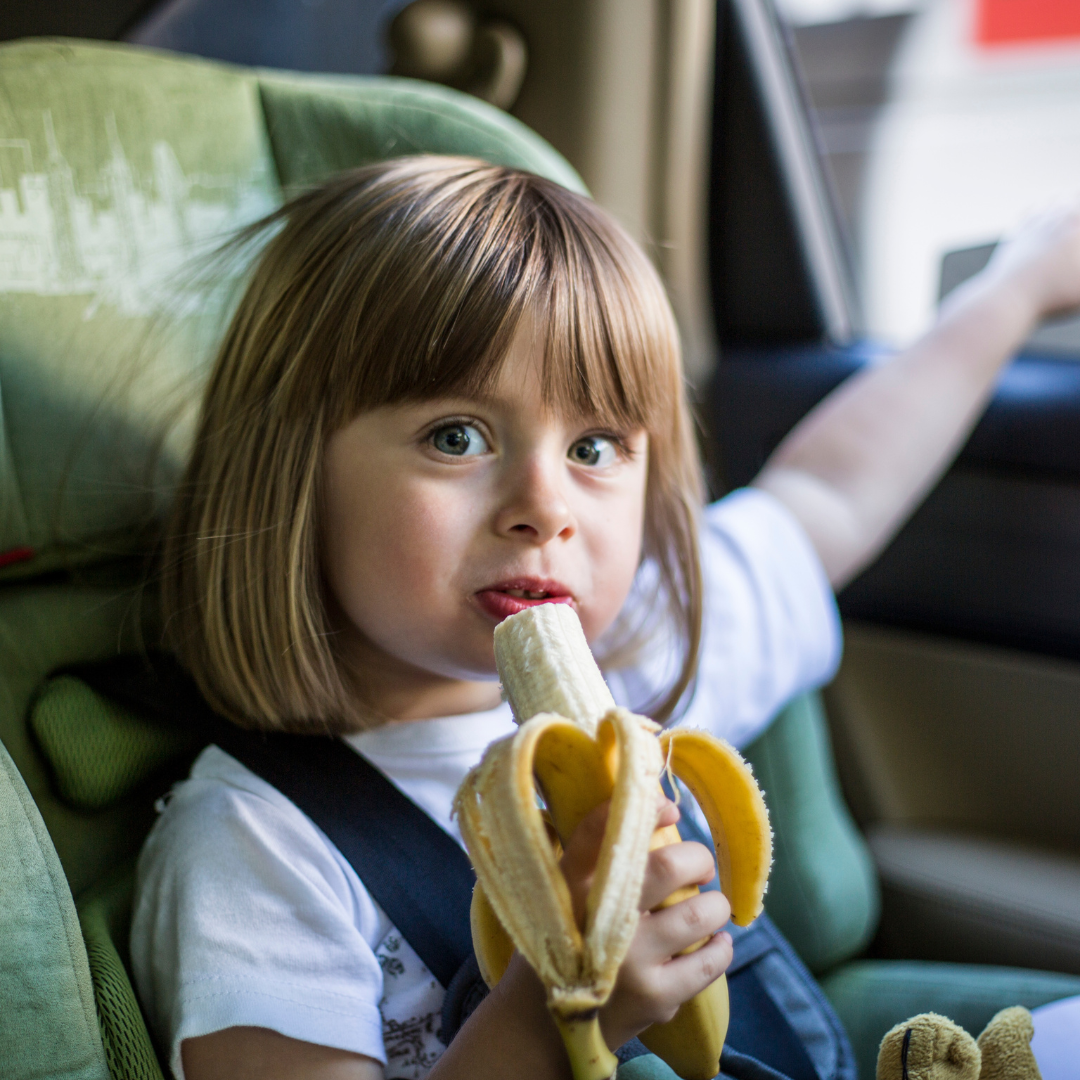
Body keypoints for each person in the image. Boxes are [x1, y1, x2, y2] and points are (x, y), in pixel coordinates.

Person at [129, 156, 1080, 1080]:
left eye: (593, 445)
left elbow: (833, 491)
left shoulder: (641, 649)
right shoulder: (254, 849)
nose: (546, 506)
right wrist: (555, 1014)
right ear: (294, 473)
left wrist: (1020, 285)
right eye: (455, 437)